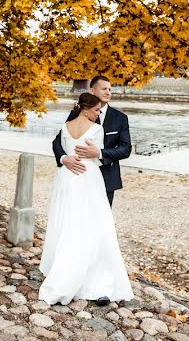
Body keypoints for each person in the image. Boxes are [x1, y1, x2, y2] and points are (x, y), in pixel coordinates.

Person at [39, 92, 134, 306]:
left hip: (66, 179)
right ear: (85, 108)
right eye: (95, 110)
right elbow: (94, 158)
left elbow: (64, 145)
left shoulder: (66, 126)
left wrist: (67, 157)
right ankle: (91, 278)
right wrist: (85, 155)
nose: (98, 114)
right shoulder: (96, 129)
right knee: (94, 225)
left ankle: (64, 271)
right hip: (87, 178)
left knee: (68, 224)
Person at [52, 75, 132, 206]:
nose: (108, 92)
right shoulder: (77, 113)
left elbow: (125, 149)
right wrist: (63, 159)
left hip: (107, 179)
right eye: (104, 88)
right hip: (77, 175)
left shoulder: (120, 118)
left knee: (100, 222)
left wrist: (99, 153)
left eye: (110, 89)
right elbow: (57, 141)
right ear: (92, 91)